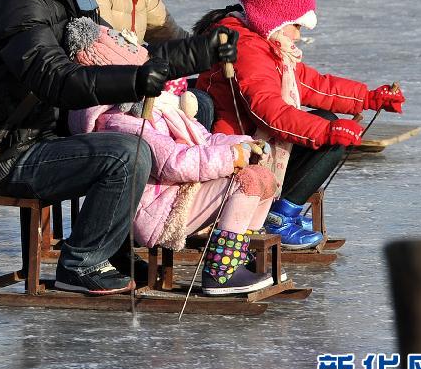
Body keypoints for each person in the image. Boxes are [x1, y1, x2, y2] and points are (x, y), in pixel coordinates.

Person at [0, 0, 239, 295]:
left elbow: (128, 53)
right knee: (128, 151)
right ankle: (82, 262)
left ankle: (125, 240)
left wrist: (203, 51)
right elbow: (54, 79)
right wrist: (134, 82)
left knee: (165, 123)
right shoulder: (20, 2)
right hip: (10, 151)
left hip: (56, 136)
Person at [195, 0, 405, 250]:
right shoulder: (248, 50)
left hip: (256, 147)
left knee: (329, 122)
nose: (297, 35)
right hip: (237, 160)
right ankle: (278, 217)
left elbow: (316, 85)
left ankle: (284, 209)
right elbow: (268, 112)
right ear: (273, 18)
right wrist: (328, 133)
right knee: (330, 134)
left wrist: (370, 98)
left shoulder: (268, 46)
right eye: (296, 26)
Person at [67, 17, 279, 296]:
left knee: (264, 177)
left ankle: (237, 253)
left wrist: (244, 144)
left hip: (182, 196)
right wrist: (231, 157)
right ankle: (220, 271)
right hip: (161, 212)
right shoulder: (121, 121)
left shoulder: (161, 107)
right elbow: (173, 163)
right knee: (248, 181)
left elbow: (204, 138)